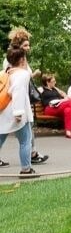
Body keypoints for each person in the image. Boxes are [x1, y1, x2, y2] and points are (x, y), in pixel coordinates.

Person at [2, 28, 48, 165]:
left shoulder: (22, 60)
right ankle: (27, 167)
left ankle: (32, 155)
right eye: (26, 45)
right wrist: (18, 111)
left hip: (20, 101)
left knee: (19, 132)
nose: (29, 48)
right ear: (18, 46)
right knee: (23, 136)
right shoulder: (12, 61)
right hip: (14, 103)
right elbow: (14, 83)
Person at [0, 47, 37, 177]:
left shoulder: (4, 72)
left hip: (2, 111)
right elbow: (18, 93)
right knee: (25, 140)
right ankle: (26, 169)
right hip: (15, 112)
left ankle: (26, 168)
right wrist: (18, 113)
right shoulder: (22, 74)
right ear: (22, 59)